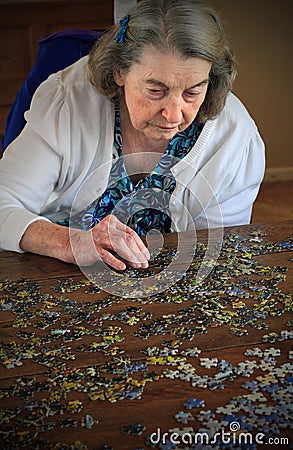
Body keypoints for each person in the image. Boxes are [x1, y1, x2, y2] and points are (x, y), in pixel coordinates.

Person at [0, 0, 265, 272]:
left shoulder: (236, 139)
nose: (174, 115)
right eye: (155, 90)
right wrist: (68, 242)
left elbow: (213, 256)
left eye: (192, 93)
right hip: (53, 272)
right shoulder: (69, 101)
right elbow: (2, 204)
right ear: (119, 72)